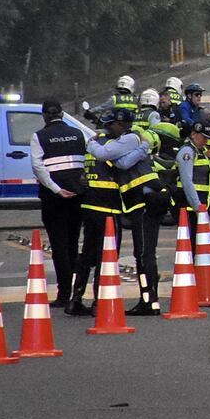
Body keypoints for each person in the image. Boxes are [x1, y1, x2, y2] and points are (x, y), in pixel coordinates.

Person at [86, 108, 166, 315]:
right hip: (142, 200)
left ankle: (150, 302)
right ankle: (149, 300)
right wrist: (144, 149)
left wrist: (91, 142)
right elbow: (122, 162)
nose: (107, 127)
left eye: (110, 124)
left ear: (121, 124)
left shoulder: (129, 138)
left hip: (145, 200)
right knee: (143, 253)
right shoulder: (130, 139)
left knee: (143, 253)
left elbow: (108, 157)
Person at [31, 100, 87, 307]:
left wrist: (55, 189)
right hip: (78, 195)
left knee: (59, 245)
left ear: (45, 115)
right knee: (73, 243)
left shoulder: (39, 137)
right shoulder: (78, 134)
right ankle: (75, 291)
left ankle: (64, 293)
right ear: (62, 114)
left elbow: (38, 167)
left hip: (54, 198)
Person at [70, 115, 124, 316]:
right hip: (109, 208)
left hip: (89, 205)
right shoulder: (113, 146)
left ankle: (75, 299)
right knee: (107, 257)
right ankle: (99, 302)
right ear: (112, 126)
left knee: (87, 254)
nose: (125, 129)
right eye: (122, 125)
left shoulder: (91, 144)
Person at [175, 120, 210, 217]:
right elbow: (187, 181)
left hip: (202, 204)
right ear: (193, 134)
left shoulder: (202, 151)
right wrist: (197, 207)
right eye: (204, 137)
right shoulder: (187, 152)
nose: (206, 141)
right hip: (188, 207)